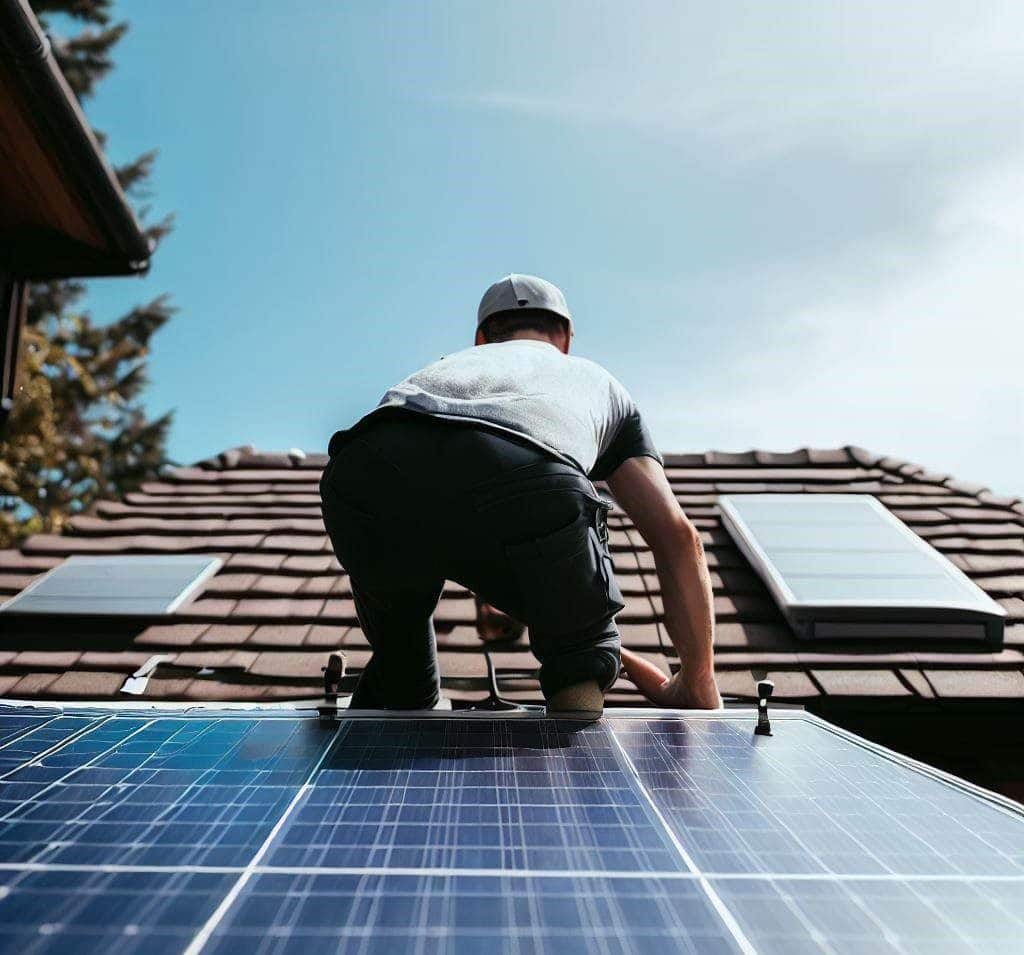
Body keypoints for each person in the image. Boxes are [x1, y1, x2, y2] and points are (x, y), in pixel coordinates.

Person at [319, 274, 721, 716]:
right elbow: (678, 537)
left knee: (402, 665)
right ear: (566, 337)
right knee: (581, 658)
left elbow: (446, 475)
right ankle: (576, 706)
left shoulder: (445, 369)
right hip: (529, 480)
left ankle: (392, 699)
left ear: (481, 339)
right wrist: (697, 681)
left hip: (365, 466)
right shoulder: (596, 382)